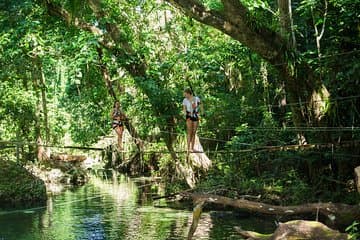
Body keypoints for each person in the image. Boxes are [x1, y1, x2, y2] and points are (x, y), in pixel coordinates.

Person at [182, 88, 204, 153]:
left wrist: (202, 112)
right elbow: (184, 109)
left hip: (195, 115)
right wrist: (185, 114)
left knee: (194, 132)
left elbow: (201, 104)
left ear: (189, 93)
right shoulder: (185, 100)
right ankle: (188, 148)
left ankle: (192, 148)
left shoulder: (196, 99)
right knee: (189, 132)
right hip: (189, 115)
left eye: (185, 94)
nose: (184, 95)